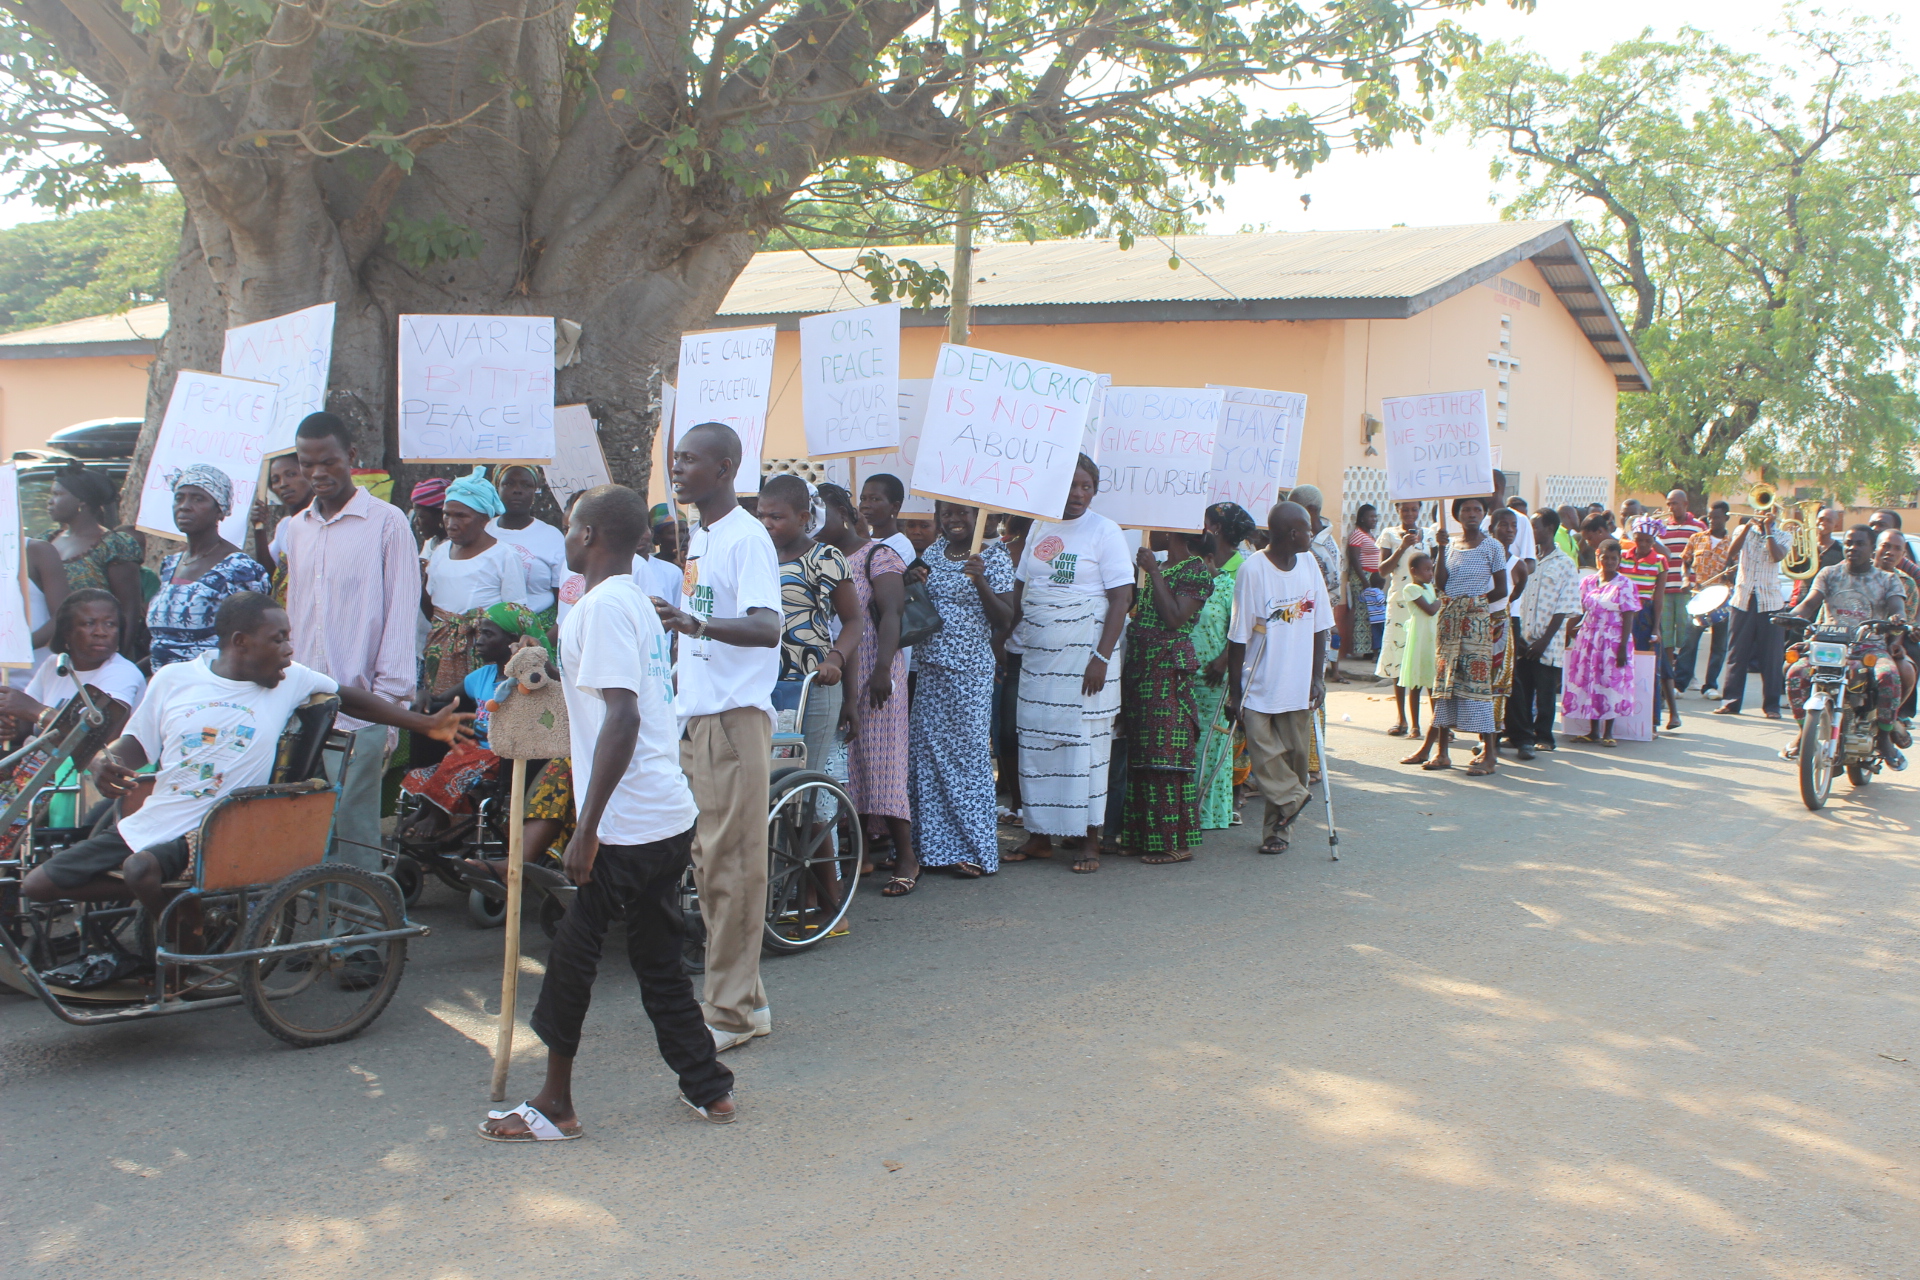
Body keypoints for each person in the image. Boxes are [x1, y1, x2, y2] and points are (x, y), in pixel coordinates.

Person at [480, 485, 735, 1141]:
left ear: (589, 534)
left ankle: (556, 1105)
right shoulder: (632, 604)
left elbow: (621, 716)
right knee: (658, 958)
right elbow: (609, 703)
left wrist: (585, 831)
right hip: (664, 813)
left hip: (629, 822)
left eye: (569, 526)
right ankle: (709, 1090)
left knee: (572, 958)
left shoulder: (600, 608)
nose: (564, 537)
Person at [21, 593, 468, 956]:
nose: (290, 650)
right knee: (39, 884)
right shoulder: (174, 679)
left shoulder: (289, 679)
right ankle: (172, 904)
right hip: (158, 816)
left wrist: (425, 724)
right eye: (278, 639)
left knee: (141, 869)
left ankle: (188, 931)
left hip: (220, 826)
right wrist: (107, 762)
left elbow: (352, 699)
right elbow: (136, 745)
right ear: (240, 642)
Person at [652, 422, 782, 1053]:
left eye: (690, 460)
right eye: (676, 459)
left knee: (731, 868)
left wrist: (695, 623)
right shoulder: (704, 535)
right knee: (710, 866)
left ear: (727, 468)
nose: (677, 469)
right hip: (699, 718)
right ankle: (745, 999)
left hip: (732, 722)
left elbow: (766, 627)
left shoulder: (746, 538)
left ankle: (728, 1013)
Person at [285, 411, 424, 876]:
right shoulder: (297, 528)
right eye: (307, 464)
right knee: (306, 826)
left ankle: (360, 936)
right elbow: (296, 613)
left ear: (352, 459)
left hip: (364, 709)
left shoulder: (387, 524)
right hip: (306, 705)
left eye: (329, 462)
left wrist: (388, 707)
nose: (318, 474)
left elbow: (401, 618)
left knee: (353, 827)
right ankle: (323, 933)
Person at [1008, 454, 1132, 873]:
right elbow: (1023, 591)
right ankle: (1040, 834)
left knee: (1085, 747)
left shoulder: (1105, 531)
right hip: (1040, 658)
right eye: (1071, 485)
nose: (1078, 494)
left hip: (1086, 661)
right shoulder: (1039, 527)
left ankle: (1089, 839)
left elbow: (1121, 599)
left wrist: (1100, 657)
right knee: (1038, 743)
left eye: (1087, 486)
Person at [908, 501, 1016, 879]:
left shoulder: (995, 556)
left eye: (962, 514)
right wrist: (916, 580)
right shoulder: (934, 551)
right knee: (927, 759)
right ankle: (933, 849)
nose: (954, 520)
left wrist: (980, 580)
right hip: (931, 668)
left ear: (979, 516)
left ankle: (973, 848)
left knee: (967, 761)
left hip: (969, 672)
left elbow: (1005, 619)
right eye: (947, 514)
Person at [818, 483, 915, 891]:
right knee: (850, 764)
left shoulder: (878, 554)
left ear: (841, 511)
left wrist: (883, 669)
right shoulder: (819, 558)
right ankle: (860, 854)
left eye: (818, 513)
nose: (813, 524)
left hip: (879, 675)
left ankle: (907, 858)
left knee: (885, 764)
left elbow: (891, 612)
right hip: (838, 674)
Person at [1225, 501, 1330, 856]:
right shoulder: (1253, 570)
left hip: (1297, 683)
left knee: (1294, 761)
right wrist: (1235, 691)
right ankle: (1295, 797)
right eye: (1306, 528)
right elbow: (1238, 636)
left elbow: (1320, 626)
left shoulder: (1309, 564)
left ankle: (1278, 833)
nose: (1312, 533)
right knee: (1262, 751)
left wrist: (1317, 677)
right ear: (1291, 533)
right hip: (1259, 681)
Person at [398, 605, 548, 845]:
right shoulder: (482, 676)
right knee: (450, 760)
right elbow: (441, 701)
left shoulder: (530, 680)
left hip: (506, 756)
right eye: (479, 634)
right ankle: (427, 812)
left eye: (488, 634)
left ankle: (435, 816)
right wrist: (423, 695)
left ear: (513, 641)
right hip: (475, 751)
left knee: (458, 761)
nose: (478, 641)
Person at [1114, 529, 1216, 865]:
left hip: (1168, 671)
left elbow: (1174, 618)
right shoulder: (1153, 565)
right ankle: (1139, 835)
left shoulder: (1196, 570)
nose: (1149, 530)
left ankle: (1175, 842)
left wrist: (1153, 573)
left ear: (1172, 531)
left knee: (1166, 754)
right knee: (1140, 755)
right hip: (1141, 668)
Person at [758, 474, 862, 789]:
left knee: (802, 786)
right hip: (762, 683)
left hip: (811, 685)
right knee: (767, 783)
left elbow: (854, 621)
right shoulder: (756, 556)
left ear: (803, 517)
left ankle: (813, 839)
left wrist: (836, 660)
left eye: (776, 517)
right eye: (761, 515)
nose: (766, 523)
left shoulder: (826, 558)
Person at [1779, 526, 1909, 767]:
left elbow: (1897, 608)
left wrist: (1897, 619)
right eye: (1849, 543)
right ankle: (1805, 731)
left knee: (1888, 676)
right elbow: (1809, 604)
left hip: (1868, 647)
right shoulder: (1829, 573)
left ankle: (1883, 738)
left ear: (1871, 549)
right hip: (1828, 645)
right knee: (1795, 673)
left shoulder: (1888, 579)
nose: (1852, 548)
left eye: (1860, 544)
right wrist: (1790, 616)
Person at [146, 466, 273, 669]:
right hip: (165, 689)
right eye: (179, 498)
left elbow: (248, 643)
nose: (184, 506)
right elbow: (163, 642)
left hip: (209, 691)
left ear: (220, 510)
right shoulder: (170, 565)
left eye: (198, 499)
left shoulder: (238, 570)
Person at [1418, 497, 1508, 776]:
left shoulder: (1493, 546)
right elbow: (1441, 583)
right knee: (1445, 684)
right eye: (1467, 509)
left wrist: (1475, 604)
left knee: (1478, 685)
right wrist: (1441, 549)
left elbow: (1502, 589)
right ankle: (1442, 752)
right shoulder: (1449, 545)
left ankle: (1489, 755)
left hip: (1476, 625)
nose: (1472, 514)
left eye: (1477, 509)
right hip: (1448, 624)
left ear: (1484, 514)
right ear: (1457, 514)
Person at [422, 468, 530, 698]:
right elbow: (432, 607)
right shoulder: (440, 553)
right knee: (440, 709)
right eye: (447, 514)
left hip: (483, 653)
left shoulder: (503, 556)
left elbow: (515, 616)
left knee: (480, 713)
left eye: (461, 516)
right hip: (440, 652)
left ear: (483, 519)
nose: (451, 523)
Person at [0, 589, 146, 742]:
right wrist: (12, 727)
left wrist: (38, 711)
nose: (101, 632)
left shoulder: (123, 673)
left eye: (110, 624)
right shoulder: (54, 665)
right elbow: (27, 725)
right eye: (89, 623)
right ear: (66, 632)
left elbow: (101, 738)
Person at [1189, 503, 1254, 832]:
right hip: (1190, 669)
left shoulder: (1240, 570)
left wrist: (1224, 659)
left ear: (1215, 528)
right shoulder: (1195, 562)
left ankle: (1212, 810)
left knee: (1215, 742)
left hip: (1219, 669)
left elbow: (1245, 624)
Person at [47, 465, 144, 655]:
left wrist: (117, 659)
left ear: (81, 500)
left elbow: (130, 611)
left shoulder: (113, 546)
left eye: (58, 494)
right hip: (49, 651)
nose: (50, 502)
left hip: (97, 652)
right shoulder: (46, 541)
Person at [1508, 510, 1579, 758]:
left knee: (1545, 690)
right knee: (1522, 689)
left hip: (1548, 640)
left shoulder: (1564, 563)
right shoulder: (1525, 561)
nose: (1532, 532)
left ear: (1549, 529)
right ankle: (1522, 733)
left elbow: (1565, 606)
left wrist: (1544, 640)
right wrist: (1520, 638)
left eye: (1536, 527)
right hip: (1524, 637)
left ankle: (1544, 737)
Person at [1713, 502, 1791, 719]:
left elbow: (1777, 556)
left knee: (1771, 657)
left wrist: (1767, 531)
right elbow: (1731, 553)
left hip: (1770, 602)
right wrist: (1748, 527)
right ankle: (1730, 702)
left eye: (1769, 511)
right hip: (1743, 599)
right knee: (1737, 653)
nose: (1763, 513)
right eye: (1761, 509)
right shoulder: (1741, 530)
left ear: (1776, 515)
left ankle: (1772, 706)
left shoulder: (1784, 535)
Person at [1562, 539, 1641, 745]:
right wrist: (1566, 632)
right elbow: (1578, 610)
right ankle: (1593, 731)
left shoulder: (1625, 585)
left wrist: (1623, 647)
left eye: (1613, 558)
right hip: (1588, 638)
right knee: (1591, 682)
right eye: (1605, 557)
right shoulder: (1588, 582)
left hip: (1613, 641)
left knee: (1610, 682)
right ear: (1598, 558)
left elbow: (1629, 616)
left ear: (1619, 560)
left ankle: (1609, 733)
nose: (1608, 562)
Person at [488, 465, 570, 624]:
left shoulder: (551, 536)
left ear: (535, 491)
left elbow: (563, 595)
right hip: (488, 627)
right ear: (496, 488)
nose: (517, 490)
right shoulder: (483, 531)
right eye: (508, 484)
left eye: (526, 485)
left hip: (539, 625)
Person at [1374, 500, 1429, 735]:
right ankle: (1402, 718)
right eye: (1404, 509)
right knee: (1398, 657)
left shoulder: (1430, 534)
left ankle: (1434, 723)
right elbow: (1383, 570)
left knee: (1423, 657)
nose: (1409, 513)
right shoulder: (1389, 534)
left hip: (1424, 601)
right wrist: (1402, 547)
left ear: (1419, 511)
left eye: (1414, 509)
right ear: (1397, 510)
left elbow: (1434, 569)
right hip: (1399, 603)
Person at [1622, 515, 1677, 731]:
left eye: (1647, 540)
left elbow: (1659, 596)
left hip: (1645, 616)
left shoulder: (1660, 562)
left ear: (1653, 541)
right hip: (1625, 613)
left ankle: (1651, 720)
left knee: (1648, 669)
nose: (1642, 544)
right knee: (1624, 665)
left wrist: (1656, 627)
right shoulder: (1623, 557)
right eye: (1639, 539)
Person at [1678, 500, 1733, 695]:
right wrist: (1686, 579)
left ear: (1726, 518)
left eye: (1716, 517)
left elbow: (1736, 571)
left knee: (1719, 645)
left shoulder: (1733, 544)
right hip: (1699, 596)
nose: (1712, 521)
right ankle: (1680, 684)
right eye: (1710, 517)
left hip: (1722, 598)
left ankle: (1710, 686)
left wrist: (1730, 576)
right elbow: (1685, 562)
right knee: (1689, 642)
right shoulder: (1697, 538)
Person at [249, 453, 316, 604]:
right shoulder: (285, 526)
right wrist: (259, 530)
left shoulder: (326, 521)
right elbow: (269, 577)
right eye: (275, 480)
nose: (283, 484)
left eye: (291, 474)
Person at [1396, 552, 1440, 745]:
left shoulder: (1430, 587)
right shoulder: (1411, 589)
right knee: (1415, 682)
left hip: (1433, 639)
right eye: (1426, 569)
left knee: (1433, 683)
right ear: (1414, 571)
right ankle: (1415, 726)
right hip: (1419, 638)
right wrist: (1441, 600)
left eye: (1432, 569)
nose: (1430, 573)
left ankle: (1438, 724)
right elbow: (1430, 609)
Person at [1343, 504, 1381, 662]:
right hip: (1362, 578)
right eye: (1371, 516)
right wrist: (1365, 581)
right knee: (1363, 614)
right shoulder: (1357, 535)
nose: (1374, 519)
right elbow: (1354, 559)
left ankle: (1370, 648)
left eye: (1375, 516)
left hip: (1371, 577)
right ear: (1362, 518)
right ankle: (1363, 648)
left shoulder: (1369, 535)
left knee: (1371, 614)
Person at [411, 478, 449, 559]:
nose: (415, 522)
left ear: (441, 516)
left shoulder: (456, 549)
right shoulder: (431, 543)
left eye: (421, 516)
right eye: (415, 515)